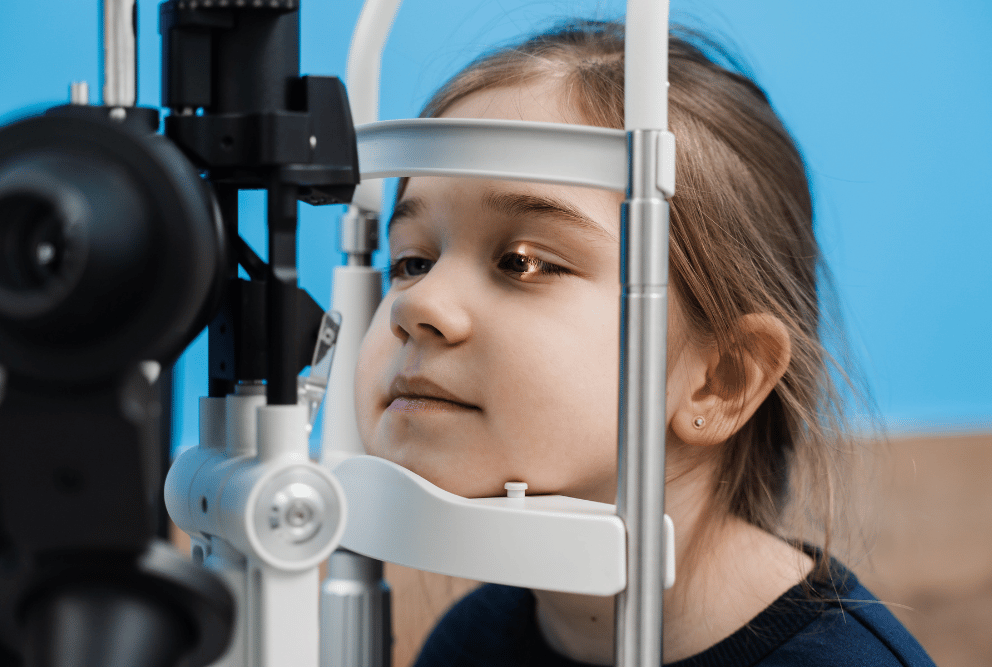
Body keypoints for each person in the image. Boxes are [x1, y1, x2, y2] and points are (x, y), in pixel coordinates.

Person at [353, 19, 935, 667]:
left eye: (521, 262)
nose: (417, 304)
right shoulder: (474, 640)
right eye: (411, 260)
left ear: (723, 378)